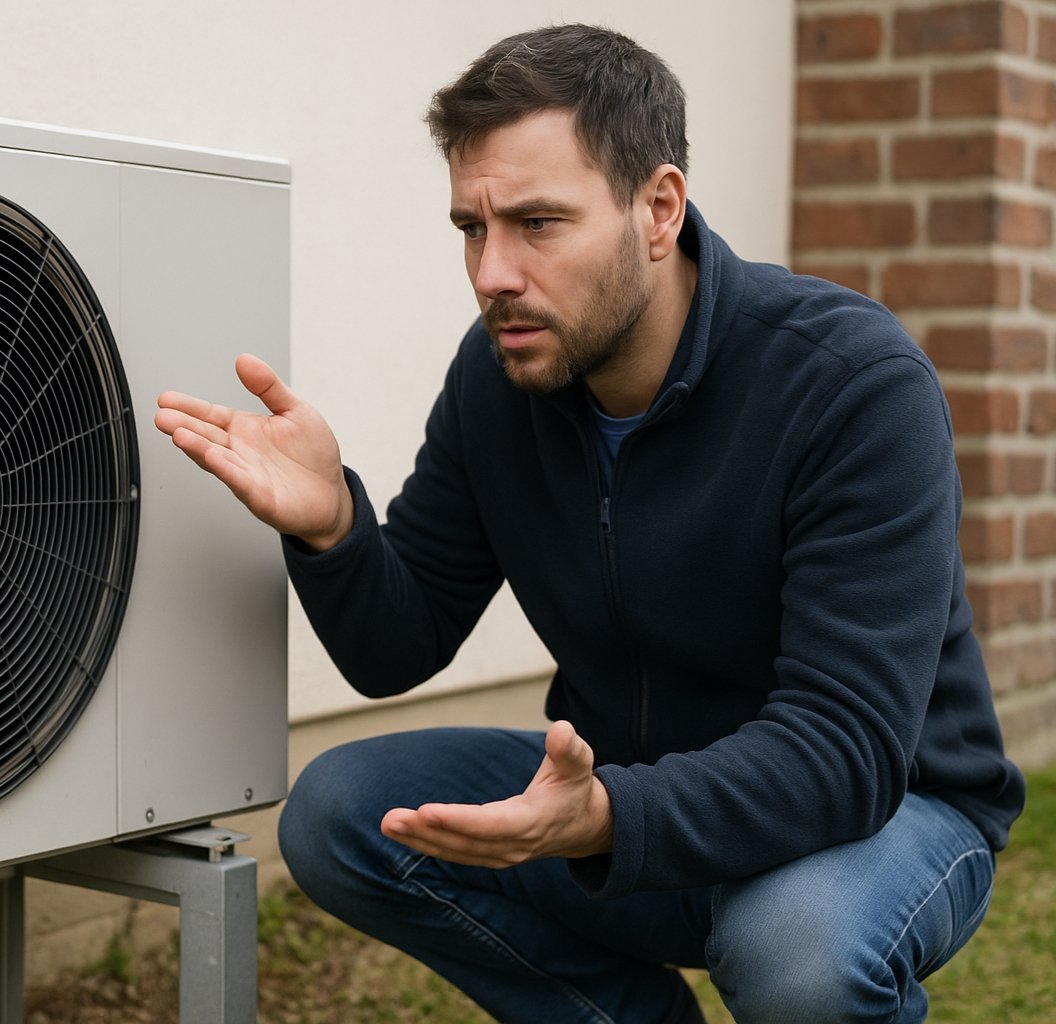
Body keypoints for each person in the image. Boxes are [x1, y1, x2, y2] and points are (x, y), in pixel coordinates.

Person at [154, 23, 1025, 1024]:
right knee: (340, 813)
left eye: (537, 223)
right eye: (471, 228)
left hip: (880, 815)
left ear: (657, 209)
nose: (492, 273)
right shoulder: (502, 375)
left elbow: (845, 751)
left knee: (799, 951)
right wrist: (332, 525)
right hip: (625, 789)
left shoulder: (850, 384)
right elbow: (397, 645)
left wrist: (610, 813)